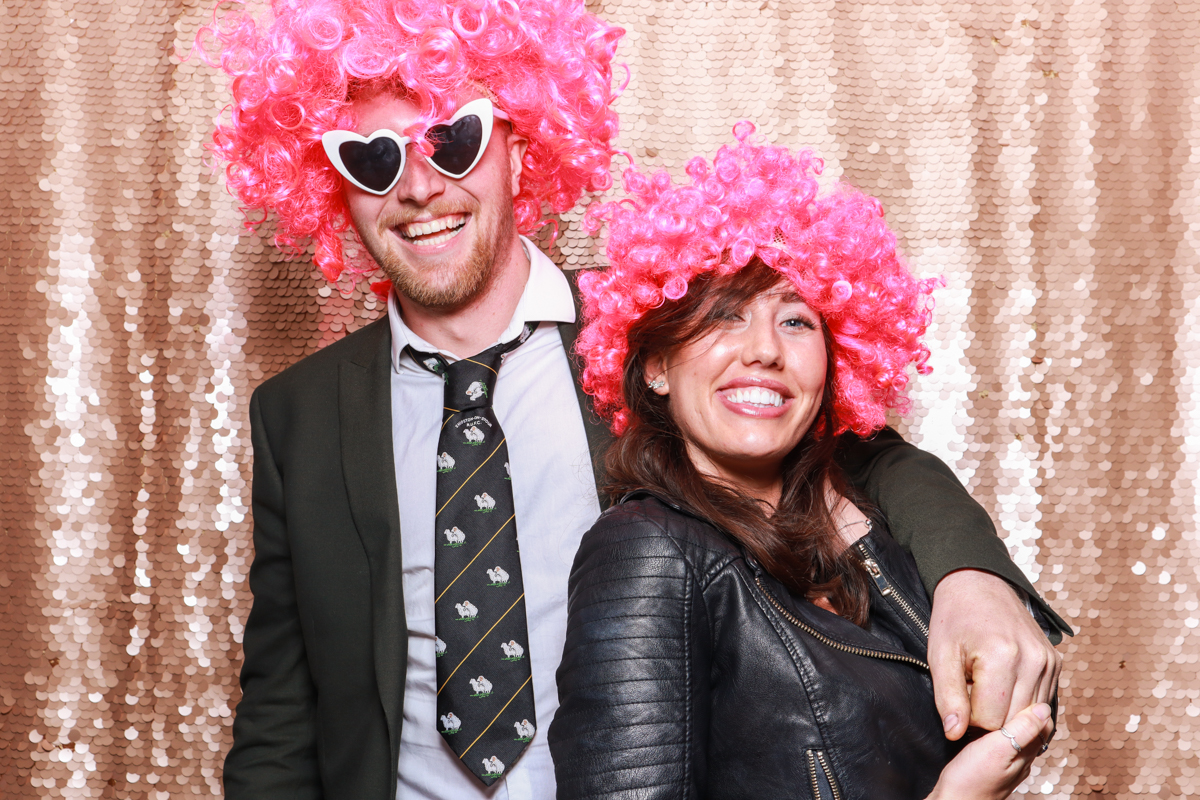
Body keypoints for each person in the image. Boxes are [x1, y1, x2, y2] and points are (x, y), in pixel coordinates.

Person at [198, 1, 1067, 797]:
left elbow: (858, 451)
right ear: (332, 183)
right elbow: (282, 712)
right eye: (374, 158)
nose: (420, 187)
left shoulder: (647, 337)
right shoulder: (297, 417)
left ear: (520, 146)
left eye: (453, 141)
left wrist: (970, 578)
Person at [550, 126, 1059, 799]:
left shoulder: (859, 518)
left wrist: (977, 583)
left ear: (835, 360)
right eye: (724, 316)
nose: (763, 350)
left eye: (795, 321)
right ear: (657, 366)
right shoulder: (646, 551)